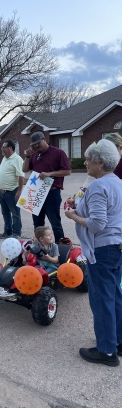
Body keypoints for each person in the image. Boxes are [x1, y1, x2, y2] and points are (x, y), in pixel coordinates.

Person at [65, 139, 122, 366]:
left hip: (104, 249)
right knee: (115, 295)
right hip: (117, 246)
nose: (86, 162)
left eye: (89, 159)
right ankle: (118, 341)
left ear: (100, 162)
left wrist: (73, 216)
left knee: (101, 299)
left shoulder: (99, 186)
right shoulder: (117, 182)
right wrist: (79, 206)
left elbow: (98, 223)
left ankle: (106, 351)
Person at [22, 130, 71, 243]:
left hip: (52, 193)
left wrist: (50, 174)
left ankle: (60, 246)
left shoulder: (58, 152)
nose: (36, 146)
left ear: (44, 139)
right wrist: (27, 157)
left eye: (38, 143)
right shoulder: (35, 154)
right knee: (37, 223)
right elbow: (25, 169)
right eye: (34, 144)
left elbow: (67, 171)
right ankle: (40, 247)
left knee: (55, 223)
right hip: (36, 193)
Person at [0, 140, 24, 239]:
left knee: (15, 213)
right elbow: (3, 172)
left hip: (12, 191)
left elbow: (21, 176)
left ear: (10, 148)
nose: (2, 149)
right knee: (5, 212)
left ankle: (17, 233)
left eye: (4, 147)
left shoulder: (17, 159)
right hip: (2, 191)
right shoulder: (4, 159)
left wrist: (19, 191)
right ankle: (7, 231)